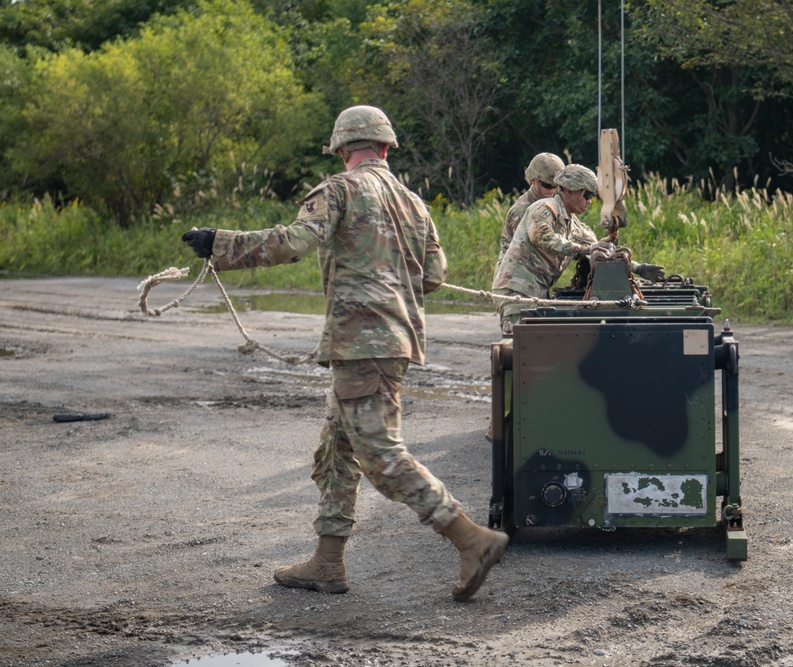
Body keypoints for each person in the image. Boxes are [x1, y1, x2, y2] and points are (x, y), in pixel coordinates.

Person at [180, 105, 508, 602]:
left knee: (378, 452)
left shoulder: (339, 189)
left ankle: (469, 538)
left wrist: (218, 243)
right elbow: (435, 276)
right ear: (385, 146)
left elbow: (293, 243)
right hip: (392, 341)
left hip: (361, 343)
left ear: (340, 148)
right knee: (337, 447)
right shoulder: (416, 204)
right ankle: (328, 563)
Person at [491, 164, 665, 334]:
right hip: (516, 290)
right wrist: (584, 250)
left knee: (536, 348)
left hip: (535, 291)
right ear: (570, 191)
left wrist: (637, 268)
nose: (589, 201)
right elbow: (542, 236)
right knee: (524, 350)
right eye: (587, 195)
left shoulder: (575, 226)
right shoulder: (545, 208)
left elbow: (602, 254)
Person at [497, 152, 565, 263]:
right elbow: (536, 247)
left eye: (556, 186)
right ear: (533, 181)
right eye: (547, 186)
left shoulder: (554, 201)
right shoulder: (521, 211)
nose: (553, 190)